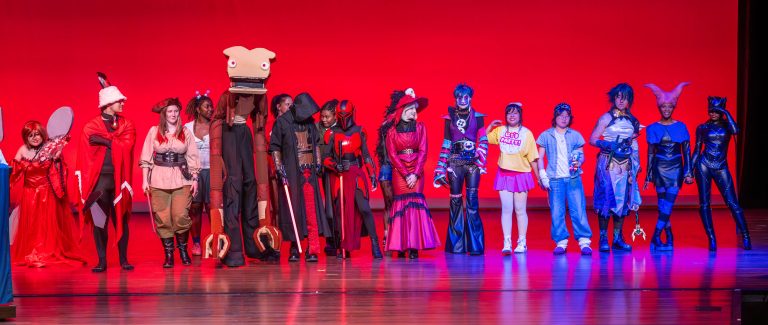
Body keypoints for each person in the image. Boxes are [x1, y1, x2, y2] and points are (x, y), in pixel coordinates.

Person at [76, 80, 136, 272]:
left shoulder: (126, 124)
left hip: (119, 181)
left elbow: (127, 145)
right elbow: (85, 156)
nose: (123, 103)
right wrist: (109, 141)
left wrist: (105, 141)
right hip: (99, 181)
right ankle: (102, 260)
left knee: (121, 221)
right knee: (100, 221)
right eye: (119, 101)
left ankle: (123, 259)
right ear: (108, 104)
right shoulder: (91, 127)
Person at [10, 121, 85, 267]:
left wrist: (57, 159)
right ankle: (33, 253)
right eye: (31, 135)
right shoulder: (22, 150)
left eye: (37, 134)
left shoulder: (49, 148)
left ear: (42, 134)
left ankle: (45, 252)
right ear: (25, 137)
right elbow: (13, 170)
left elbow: (60, 170)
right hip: (29, 194)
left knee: (46, 225)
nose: (35, 138)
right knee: (31, 225)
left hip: (47, 194)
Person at [269, 93, 331, 262]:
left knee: (311, 212)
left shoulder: (310, 123)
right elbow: (275, 147)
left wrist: (318, 163)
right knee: (294, 212)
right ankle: (295, 247)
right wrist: (279, 167)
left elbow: (316, 143)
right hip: (292, 173)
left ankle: (312, 248)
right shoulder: (282, 123)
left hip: (308, 174)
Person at [140, 98, 200, 268]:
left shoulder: (185, 132)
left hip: (182, 177)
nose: (173, 114)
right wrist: (145, 180)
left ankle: (182, 250)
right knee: (163, 218)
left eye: (175, 111)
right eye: (169, 111)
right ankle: (169, 255)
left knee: (181, 216)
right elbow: (146, 157)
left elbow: (192, 157)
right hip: (159, 178)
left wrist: (195, 179)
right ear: (164, 114)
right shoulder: (154, 131)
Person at [384, 88, 441, 259]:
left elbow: (424, 151)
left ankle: (414, 246)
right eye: (410, 110)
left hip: (416, 171)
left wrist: (415, 174)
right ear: (402, 111)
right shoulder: (391, 132)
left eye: (414, 110)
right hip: (400, 172)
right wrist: (404, 173)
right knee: (400, 205)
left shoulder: (421, 128)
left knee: (415, 206)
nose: (413, 113)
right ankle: (401, 246)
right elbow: (392, 155)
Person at [323, 99, 383, 259]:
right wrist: (336, 166)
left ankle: (375, 243)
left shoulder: (359, 131)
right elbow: (326, 158)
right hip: (340, 175)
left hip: (356, 174)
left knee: (364, 208)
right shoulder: (332, 133)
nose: (343, 118)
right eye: (340, 115)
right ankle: (343, 247)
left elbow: (366, 155)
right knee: (340, 213)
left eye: (346, 115)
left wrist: (371, 174)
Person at [434, 84, 487, 255]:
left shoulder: (478, 117)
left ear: (471, 97)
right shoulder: (449, 118)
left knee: (472, 201)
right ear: (455, 98)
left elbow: (484, 139)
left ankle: (475, 246)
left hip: (472, 163)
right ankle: (457, 246)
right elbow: (446, 143)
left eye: (466, 97)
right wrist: (440, 169)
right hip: (455, 162)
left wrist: (480, 153)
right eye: (459, 97)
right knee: (456, 202)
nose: (462, 100)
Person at [692, 96, 751, 251]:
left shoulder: (727, 126)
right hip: (704, 165)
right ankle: (711, 239)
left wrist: (725, 112)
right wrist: (688, 171)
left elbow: (736, 131)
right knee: (704, 203)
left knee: (732, 203)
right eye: (711, 109)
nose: (713, 112)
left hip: (721, 167)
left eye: (716, 110)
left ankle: (745, 235)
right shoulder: (702, 127)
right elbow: (697, 150)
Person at [589, 83, 642, 252]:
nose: (621, 100)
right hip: (608, 164)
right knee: (606, 200)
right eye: (618, 97)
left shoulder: (633, 120)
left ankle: (617, 238)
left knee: (622, 201)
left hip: (626, 165)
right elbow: (592, 139)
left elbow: (634, 142)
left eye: (625, 97)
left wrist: (637, 164)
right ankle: (603, 238)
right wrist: (608, 144)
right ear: (614, 98)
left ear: (629, 100)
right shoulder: (606, 118)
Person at [536, 103, 593, 255]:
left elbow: (582, 156)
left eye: (567, 116)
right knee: (557, 211)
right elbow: (539, 157)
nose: (563, 118)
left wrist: (578, 162)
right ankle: (561, 242)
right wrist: (542, 175)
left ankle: (584, 242)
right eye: (561, 115)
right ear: (555, 117)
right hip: (555, 179)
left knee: (578, 209)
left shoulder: (575, 135)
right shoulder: (546, 135)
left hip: (573, 178)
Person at [644, 83, 693, 250]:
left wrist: (689, 172)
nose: (666, 109)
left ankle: (655, 236)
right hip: (659, 168)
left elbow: (687, 152)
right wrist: (648, 174)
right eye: (663, 106)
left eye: (669, 106)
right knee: (662, 205)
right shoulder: (653, 128)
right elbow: (650, 153)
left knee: (668, 204)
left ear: (673, 107)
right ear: (659, 108)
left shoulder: (681, 127)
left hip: (676, 169)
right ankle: (670, 237)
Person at [486, 102, 540, 254]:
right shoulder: (500, 131)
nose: (512, 115)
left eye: (515, 112)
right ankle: (507, 242)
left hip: (522, 175)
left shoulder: (527, 133)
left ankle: (522, 242)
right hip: (504, 175)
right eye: (509, 112)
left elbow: (533, 158)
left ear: (520, 115)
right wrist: (490, 126)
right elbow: (482, 138)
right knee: (507, 209)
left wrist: (539, 177)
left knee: (520, 210)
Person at [184, 91, 213, 256]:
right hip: (194, 173)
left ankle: (215, 240)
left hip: (211, 171)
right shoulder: (187, 128)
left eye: (211, 106)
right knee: (194, 209)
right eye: (207, 106)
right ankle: (196, 243)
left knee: (212, 207)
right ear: (198, 109)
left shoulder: (215, 125)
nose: (211, 109)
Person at [375, 92, 399, 251]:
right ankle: (387, 236)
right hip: (388, 166)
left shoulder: (408, 122)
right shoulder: (388, 123)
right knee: (390, 204)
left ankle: (399, 237)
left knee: (400, 204)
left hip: (401, 167)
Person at [317, 100, 338, 255]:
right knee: (329, 207)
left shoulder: (340, 129)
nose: (323, 119)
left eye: (327, 116)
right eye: (322, 116)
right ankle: (331, 240)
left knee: (339, 206)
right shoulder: (317, 128)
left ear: (335, 116)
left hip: (338, 171)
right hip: (325, 171)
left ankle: (340, 239)